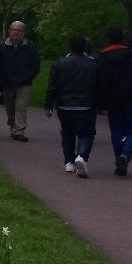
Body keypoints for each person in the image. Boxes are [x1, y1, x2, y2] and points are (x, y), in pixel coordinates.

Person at [96, 28, 132, 176]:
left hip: (112, 99)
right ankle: (126, 154)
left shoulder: (102, 57)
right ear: (122, 39)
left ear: (108, 40)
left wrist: (100, 100)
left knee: (116, 130)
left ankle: (119, 156)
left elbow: (99, 80)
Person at [44, 34, 99, 177]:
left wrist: (49, 104)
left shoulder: (59, 63)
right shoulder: (92, 64)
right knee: (86, 133)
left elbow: (53, 86)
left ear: (70, 47)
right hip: (86, 105)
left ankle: (69, 161)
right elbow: (98, 85)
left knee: (67, 133)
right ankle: (81, 156)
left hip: (64, 105)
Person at [0, 21, 40, 142]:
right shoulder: (2, 47)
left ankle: (19, 131)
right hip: (7, 82)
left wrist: (28, 77)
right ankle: (13, 126)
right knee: (10, 108)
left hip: (24, 83)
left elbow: (35, 65)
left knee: (21, 107)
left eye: (19, 30)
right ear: (10, 31)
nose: (16, 32)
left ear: (23, 33)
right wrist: (0, 80)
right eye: (14, 29)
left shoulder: (31, 47)